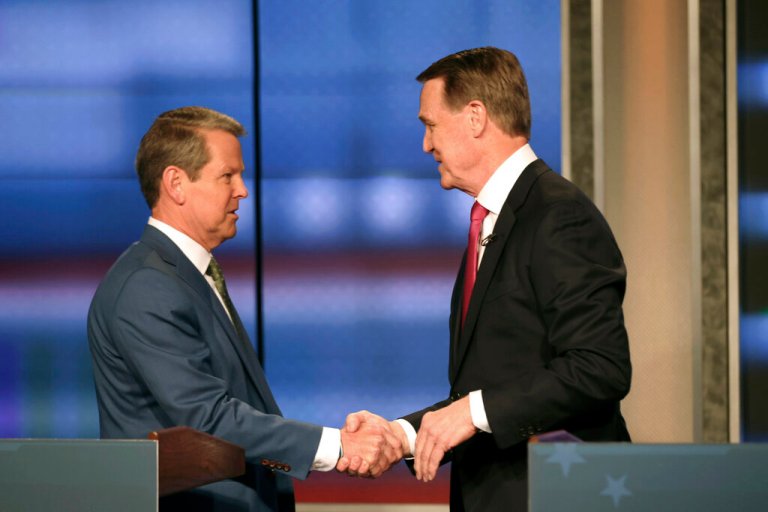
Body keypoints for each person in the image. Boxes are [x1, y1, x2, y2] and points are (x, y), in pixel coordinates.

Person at [341, 47, 632, 511]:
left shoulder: (559, 216)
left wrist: (472, 413)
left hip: (556, 495)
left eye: (430, 124)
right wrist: (402, 435)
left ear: (475, 117)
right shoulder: (492, 220)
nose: (425, 144)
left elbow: (600, 367)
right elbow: (489, 385)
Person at [87, 106, 401, 511]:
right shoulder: (147, 286)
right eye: (227, 176)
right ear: (176, 183)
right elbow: (210, 419)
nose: (243, 190)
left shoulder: (186, 274)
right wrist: (337, 446)